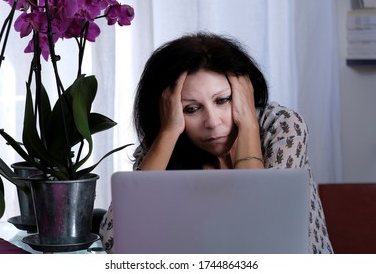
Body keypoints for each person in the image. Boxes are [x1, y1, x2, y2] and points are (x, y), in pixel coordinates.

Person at [99, 32, 334, 254]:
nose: (212, 122)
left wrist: (249, 126)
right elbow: (113, 243)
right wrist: (169, 132)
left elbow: (261, 238)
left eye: (223, 100)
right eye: (191, 109)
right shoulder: (165, 144)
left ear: (246, 94)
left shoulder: (282, 127)